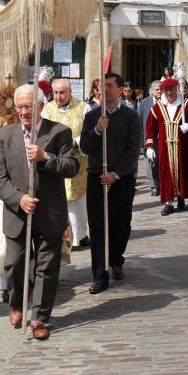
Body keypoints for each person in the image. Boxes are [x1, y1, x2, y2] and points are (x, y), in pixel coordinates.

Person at [0, 84, 78, 340]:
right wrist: (19, 199)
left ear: (40, 106)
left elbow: (71, 166)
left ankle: (40, 317)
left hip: (49, 211)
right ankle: (17, 303)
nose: (24, 111)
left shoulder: (59, 132)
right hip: (17, 212)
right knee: (15, 263)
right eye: (19, 106)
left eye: (28, 106)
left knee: (46, 266)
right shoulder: (3, 136)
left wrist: (45, 157)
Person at [80, 72, 141, 294]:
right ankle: (99, 274)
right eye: (101, 86)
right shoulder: (92, 116)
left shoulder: (130, 116)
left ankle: (116, 259)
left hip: (121, 179)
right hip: (97, 176)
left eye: (109, 85)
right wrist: (97, 130)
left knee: (121, 224)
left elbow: (134, 150)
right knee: (97, 227)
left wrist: (116, 173)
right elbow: (85, 146)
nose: (104, 90)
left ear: (120, 88)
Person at [42, 78, 91, 248]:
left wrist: (76, 142)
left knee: (79, 202)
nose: (58, 96)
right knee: (61, 199)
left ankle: (81, 234)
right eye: (55, 92)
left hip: (78, 161)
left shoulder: (83, 107)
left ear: (70, 92)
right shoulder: (47, 110)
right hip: (57, 161)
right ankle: (65, 235)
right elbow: (43, 133)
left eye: (62, 92)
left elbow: (89, 132)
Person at [145, 78, 188, 215]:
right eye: (166, 90)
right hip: (165, 148)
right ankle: (168, 203)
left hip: (182, 146)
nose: (169, 92)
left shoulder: (186, 104)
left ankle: (181, 197)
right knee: (166, 174)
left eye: (171, 89)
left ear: (177, 89)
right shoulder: (158, 108)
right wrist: (150, 146)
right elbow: (150, 128)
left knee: (183, 171)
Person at [138, 81, 162, 196]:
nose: (159, 92)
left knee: (161, 163)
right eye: (157, 89)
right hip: (148, 139)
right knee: (150, 164)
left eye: (161, 89)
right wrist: (141, 141)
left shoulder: (166, 102)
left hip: (163, 139)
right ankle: (154, 187)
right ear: (152, 91)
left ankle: (162, 184)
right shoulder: (144, 103)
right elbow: (138, 122)